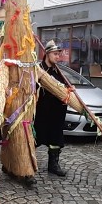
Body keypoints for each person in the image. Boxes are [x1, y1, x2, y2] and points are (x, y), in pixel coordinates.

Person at [34, 40, 69, 177]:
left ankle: (53, 165)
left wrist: (69, 90)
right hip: (42, 113)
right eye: (55, 54)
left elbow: (64, 88)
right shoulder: (39, 70)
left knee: (56, 140)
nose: (57, 57)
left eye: (58, 54)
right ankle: (27, 164)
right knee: (35, 138)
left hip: (57, 113)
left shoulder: (58, 71)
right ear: (47, 54)